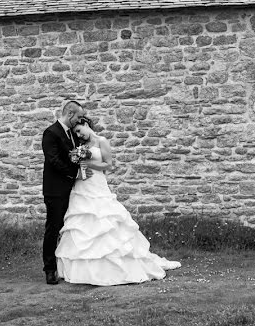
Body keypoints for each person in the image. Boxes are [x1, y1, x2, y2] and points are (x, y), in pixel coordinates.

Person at [55, 116, 181, 286]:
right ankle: (83, 267)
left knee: (105, 219)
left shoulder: (102, 141)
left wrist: (88, 163)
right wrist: (78, 163)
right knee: (83, 222)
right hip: (82, 185)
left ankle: (117, 263)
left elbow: (108, 165)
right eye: (76, 133)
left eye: (79, 130)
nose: (79, 134)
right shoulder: (81, 146)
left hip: (97, 184)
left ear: (86, 124)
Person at [41, 100, 86, 285]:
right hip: (56, 190)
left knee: (69, 228)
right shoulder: (51, 133)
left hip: (72, 189)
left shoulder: (72, 134)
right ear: (69, 114)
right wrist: (74, 173)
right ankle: (50, 269)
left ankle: (66, 266)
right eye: (78, 117)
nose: (79, 120)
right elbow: (53, 160)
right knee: (54, 228)